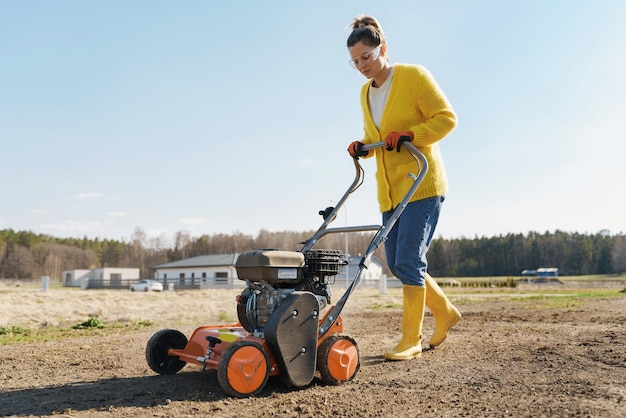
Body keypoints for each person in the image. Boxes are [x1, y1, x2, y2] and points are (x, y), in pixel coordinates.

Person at [346, 15, 461, 361]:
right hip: (391, 192)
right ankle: (444, 311)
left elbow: (445, 118)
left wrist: (413, 135)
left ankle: (411, 339)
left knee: (409, 259)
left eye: (366, 57)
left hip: (422, 184)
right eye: (355, 62)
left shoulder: (413, 76)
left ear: (383, 48)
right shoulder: (365, 93)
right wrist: (362, 146)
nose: (362, 66)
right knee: (398, 263)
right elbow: (377, 136)